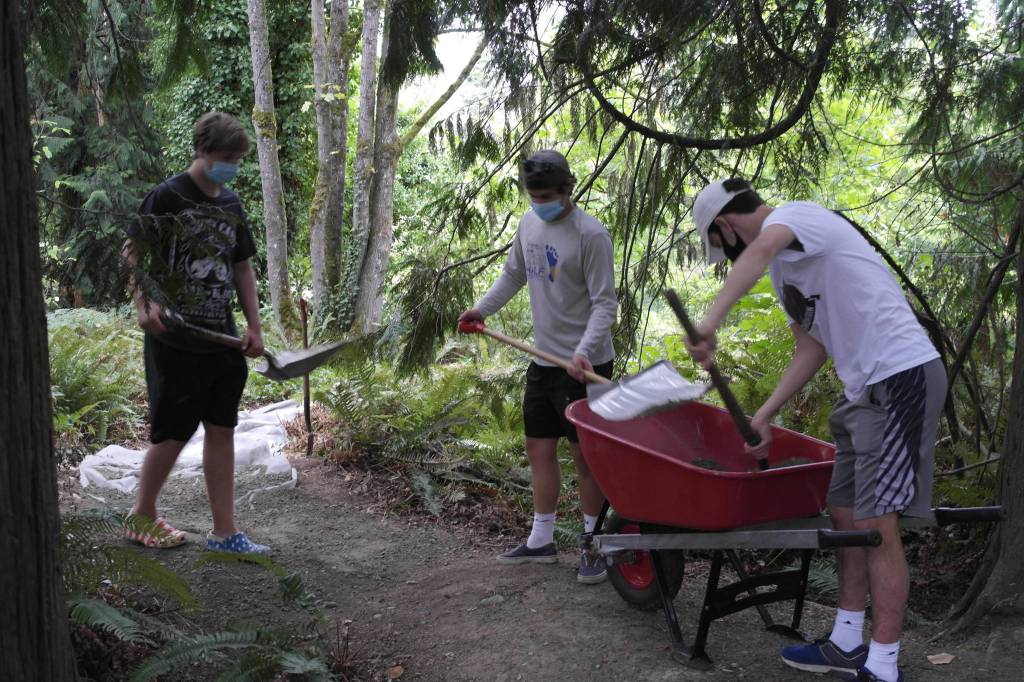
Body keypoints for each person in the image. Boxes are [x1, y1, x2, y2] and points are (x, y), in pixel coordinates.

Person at [686, 178, 945, 682]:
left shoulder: (798, 218)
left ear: (724, 226)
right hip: (861, 391)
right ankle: (847, 642)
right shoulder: (786, 274)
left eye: (720, 244)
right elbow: (813, 348)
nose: (729, 252)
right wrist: (763, 415)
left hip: (901, 375)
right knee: (845, 516)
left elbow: (761, 246)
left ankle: (884, 663)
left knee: (876, 526)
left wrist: (709, 322)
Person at [458, 150, 618, 584]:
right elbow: (514, 274)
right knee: (539, 449)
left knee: (587, 460)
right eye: (533, 195)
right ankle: (541, 539)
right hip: (543, 360)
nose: (540, 202)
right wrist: (481, 309)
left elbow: (606, 303)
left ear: (569, 188)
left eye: (547, 195)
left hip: (586, 364)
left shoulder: (591, 235)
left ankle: (594, 543)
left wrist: (584, 350)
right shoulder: (529, 224)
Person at [121, 111, 270, 555]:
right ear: (202, 151)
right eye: (226, 157)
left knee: (222, 427)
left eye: (238, 159)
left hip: (220, 336)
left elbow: (241, 267)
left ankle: (225, 532)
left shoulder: (231, 203)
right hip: (175, 338)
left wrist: (253, 326)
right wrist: (145, 303)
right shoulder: (168, 197)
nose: (232, 166)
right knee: (173, 431)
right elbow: (133, 253)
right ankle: (141, 513)